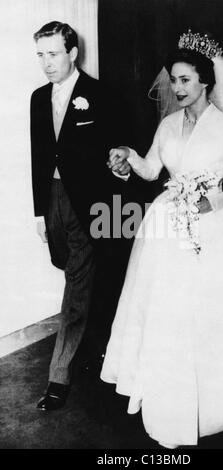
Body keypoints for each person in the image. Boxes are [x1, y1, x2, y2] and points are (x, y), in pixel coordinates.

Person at [101, 30, 223, 448]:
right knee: (167, 307)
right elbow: (152, 171)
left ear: (204, 80)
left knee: (215, 310)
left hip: (216, 225)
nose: (176, 88)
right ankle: (170, 389)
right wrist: (127, 157)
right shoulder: (168, 124)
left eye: (185, 79)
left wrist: (211, 203)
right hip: (167, 226)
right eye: (173, 79)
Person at [30, 21, 130, 411]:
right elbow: (39, 158)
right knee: (71, 271)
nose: (47, 63)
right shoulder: (38, 99)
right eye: (41, 55)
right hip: (53, 201)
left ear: (72, 53)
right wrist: (40, 212)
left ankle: (58, 377)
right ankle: (94, 345)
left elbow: (120, 147)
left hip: (89, 206)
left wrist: (120, 162)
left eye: (53, 54)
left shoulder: (100, 94)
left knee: (76, 288)